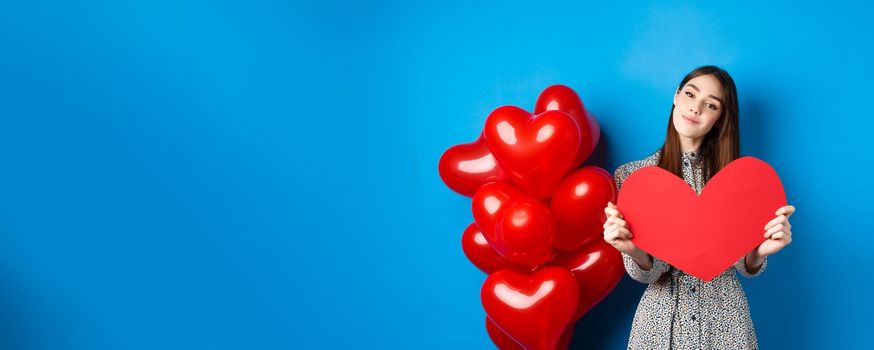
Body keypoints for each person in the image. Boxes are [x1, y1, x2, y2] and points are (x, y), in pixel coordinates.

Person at [601, 65, 796, 349]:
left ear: (719, 119)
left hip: (726, 325)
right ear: (676, 96)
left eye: (711, 104)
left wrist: (759, 252)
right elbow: (647, 273)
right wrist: (631, 249)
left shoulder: (739, 181)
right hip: (659, 327)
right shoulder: (632, 177)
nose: (695, 108)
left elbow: (743, 264)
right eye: (690, 94)